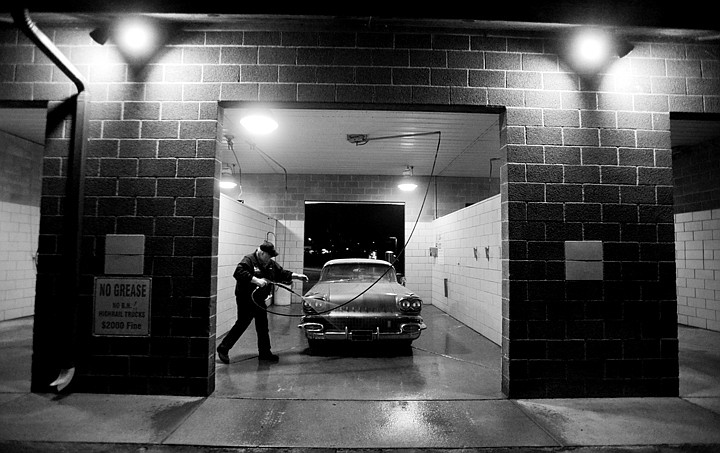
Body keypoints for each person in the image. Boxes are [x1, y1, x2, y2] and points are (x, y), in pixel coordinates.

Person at [217, 240, 308, 364]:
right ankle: (223, 348)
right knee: (242, 324)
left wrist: (297, 276)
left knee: (262, 326)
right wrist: (256, 280)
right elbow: (238, 272)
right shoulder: (249, 260)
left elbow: (281, 273)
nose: (270, 258)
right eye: (269, 255)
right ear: (261, 253)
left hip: (259, 300)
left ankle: (265, 353)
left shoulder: (269, 263)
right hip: (246, 298)